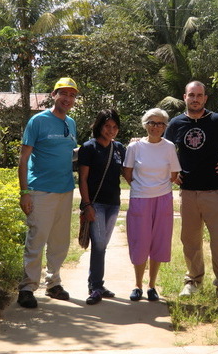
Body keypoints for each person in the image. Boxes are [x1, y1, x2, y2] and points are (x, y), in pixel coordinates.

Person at [164, 80, 218, 301]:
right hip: (188, 192)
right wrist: (173, 173)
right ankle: (193, 281)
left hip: (215, 192)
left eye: (199, 95)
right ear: (185, 98)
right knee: (190, 240)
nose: (195, 99)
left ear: (205, 98)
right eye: (191, 95)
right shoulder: (176, 123)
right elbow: (163, 150)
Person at [17, 77, 78, 308]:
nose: (68, 98)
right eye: (63, 93)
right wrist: (24, 192)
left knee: (59, 241)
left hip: (65, 190)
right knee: (37, 239)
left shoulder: (70, 123)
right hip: (40, 190)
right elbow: (23, 158)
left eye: (72, 95)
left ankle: (53, 284)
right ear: (54, 95)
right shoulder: (38, 121)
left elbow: (68, 153)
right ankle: (27, 288)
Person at [124, 108, 181, 302]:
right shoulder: (135, 147)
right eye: (151, 123)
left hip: (163, 199)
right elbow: (127, 173)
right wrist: (143, 187)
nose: (155, 127)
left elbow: (174, 175)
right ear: (144, 124)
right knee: (140, 241)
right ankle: (137, 285)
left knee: (159, 241)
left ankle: (152, 286)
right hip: (140, 199)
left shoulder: (169, 147)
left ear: (165, 126)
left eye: (160, 124)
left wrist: (157, 187)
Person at [78, 109, 126, 305]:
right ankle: (95, 286)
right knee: (98, 244)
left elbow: (127, 172)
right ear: (99, 126)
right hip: (95, 204)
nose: (111, 130)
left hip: (113, 203)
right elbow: (83, 178)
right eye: (107, 126)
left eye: (115, 127)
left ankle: (98, 283)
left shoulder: (119, 148)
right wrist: (87, 204)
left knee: (102, 245)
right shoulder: (89, 148)